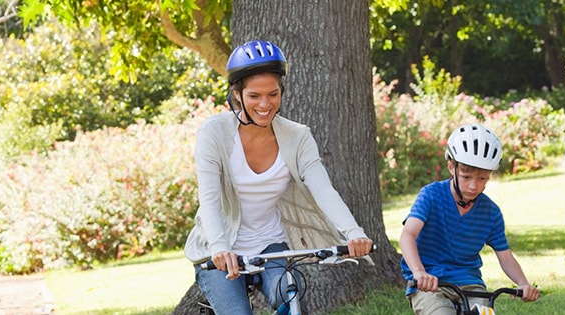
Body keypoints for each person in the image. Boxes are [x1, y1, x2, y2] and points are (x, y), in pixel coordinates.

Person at [182, 40, 374, 314]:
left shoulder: (298, 137)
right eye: (254, 96)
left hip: (273, 246)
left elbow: (323, 190)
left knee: (293, 303)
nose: (265, 104)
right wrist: (220, 247)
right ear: (237, 94)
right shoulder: (214, 133)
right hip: (220, 252)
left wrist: (353, 232)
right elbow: (209, 198)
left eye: (273, 94)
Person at [399, 124, 540, 314]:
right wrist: (418, 272)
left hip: (470, 284)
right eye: (466, 177)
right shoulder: (431, 196)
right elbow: (408, 235)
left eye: (482, 179)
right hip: (430, 283)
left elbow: (505, 256)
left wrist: (523, 283)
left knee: (485, 313)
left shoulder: (491, 212)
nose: (473, 186)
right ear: (451, 167)